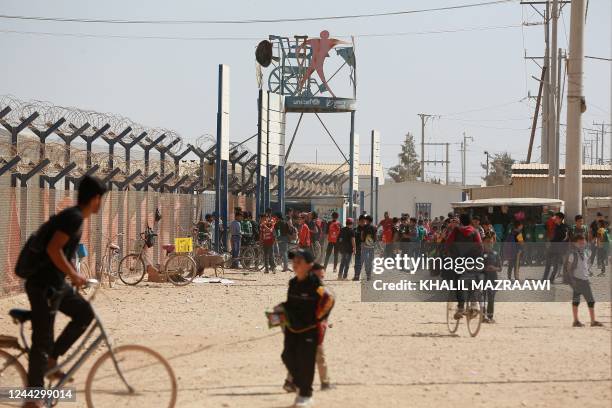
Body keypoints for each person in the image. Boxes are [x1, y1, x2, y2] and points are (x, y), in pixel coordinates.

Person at [19, 176, 106, 408]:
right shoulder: (74, 218)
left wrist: (72, 278)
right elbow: (53, 249)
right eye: (101, 199)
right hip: (42, 285)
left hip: (56, 283)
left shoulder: (76, 218)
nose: (101, 204)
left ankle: (52, 359)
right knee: (42, 339)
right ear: (96, 199)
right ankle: (33, 398)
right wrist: (75, 275)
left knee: (85, 313)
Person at [280, 249, 335, 408]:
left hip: (309, 330)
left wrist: (319, 318)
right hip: (292, 328)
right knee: (287, 356)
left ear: (309, 265)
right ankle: (299, 386)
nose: (295, 264)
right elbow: (290, 304)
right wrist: (280, 315)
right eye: (293, 261)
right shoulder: (293, 283)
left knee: (306, 361)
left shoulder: (315, 284)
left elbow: (329, 299)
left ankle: (305, 394)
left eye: (299, 261)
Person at [565, 234, 604, 327]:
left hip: (584, 280)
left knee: (585, 301)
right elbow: (568, 269)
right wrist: (572, 281)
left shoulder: (586, 253)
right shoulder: (573, 254)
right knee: (581, 301)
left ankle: (586, 321)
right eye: (580, 243)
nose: (582, 244)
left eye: (583, 242)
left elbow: (585, 266)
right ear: (575, 244)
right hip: (578, 281)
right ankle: (581, 321)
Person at [542, 212, 568, 282]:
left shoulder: (564, 227)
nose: (555, 219)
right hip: (551, 247)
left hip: (558, 248)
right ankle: (544, 279)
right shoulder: (553, 225)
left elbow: (565, 238)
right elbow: (545, 228)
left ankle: (551, 279)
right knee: (548, 265)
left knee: (556, 266)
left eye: (556, 218)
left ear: (560, 219)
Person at [482, 233, 501, 323]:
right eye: (487, 242)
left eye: (491, 242)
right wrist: (484, 268)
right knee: (482, 297)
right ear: (483, 243)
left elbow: (500, 268)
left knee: (491, 298)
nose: (489, 243)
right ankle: (482, 316)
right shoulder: (480, 254)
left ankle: (490, 316)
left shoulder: (496, 254)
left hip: (493, 279)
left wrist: (494, 268)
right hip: (483, 279)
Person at [360, 215, 377, 281]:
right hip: (371, 246)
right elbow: (375, 237)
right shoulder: (374, 228)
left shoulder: (364, 227)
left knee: (364, 260)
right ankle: (369, 275)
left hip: (365, 246)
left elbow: (361, 236)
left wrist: (363, 242)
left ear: (367, 220)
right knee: (370, 261)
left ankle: (358, 274)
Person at [352, 215, 366, 281]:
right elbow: (352, 239)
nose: (363, 223)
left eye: (364, 221)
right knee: (357, 262)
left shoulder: (368, 229)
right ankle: (357, 275)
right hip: (358, 248)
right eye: (362, 221)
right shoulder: (355, 230)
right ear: (359, 222)